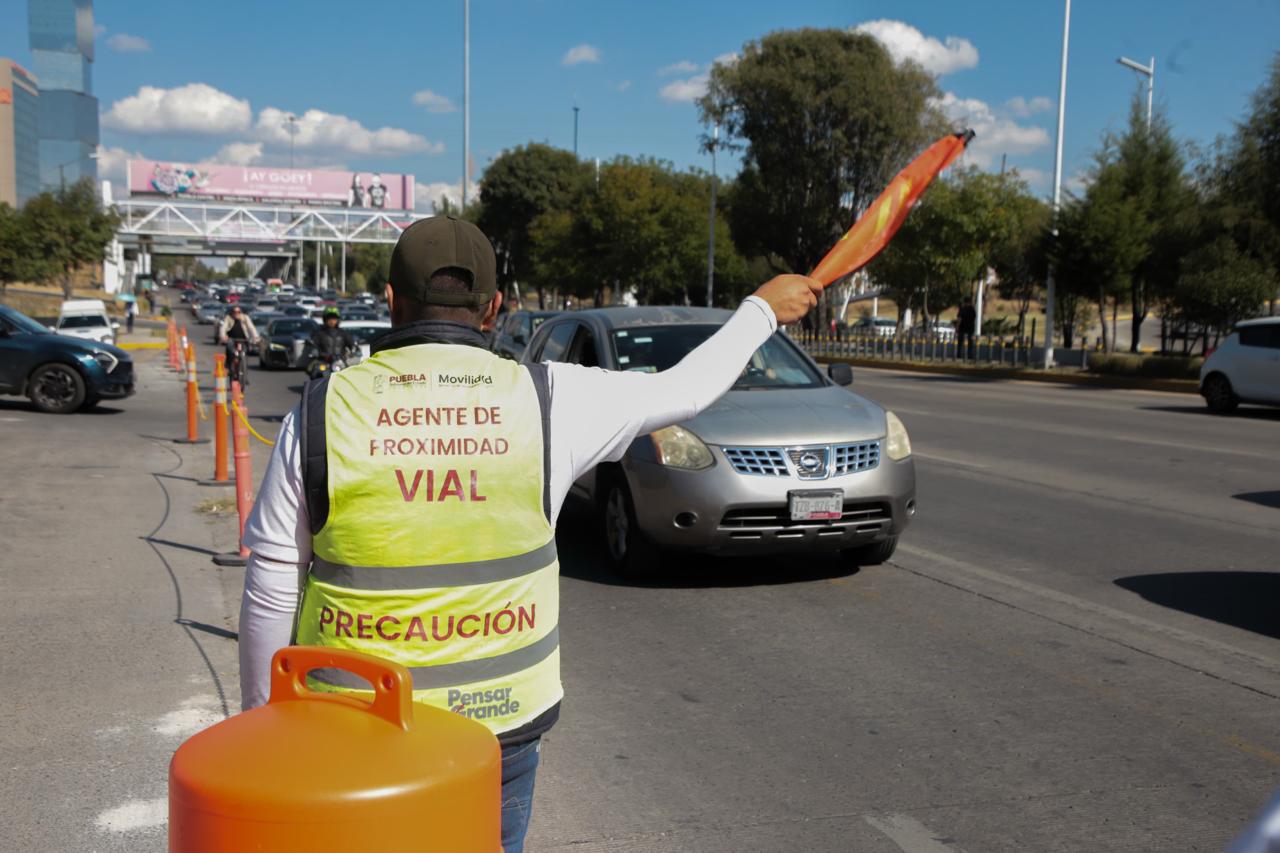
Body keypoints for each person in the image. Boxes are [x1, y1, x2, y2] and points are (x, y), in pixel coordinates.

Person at [236, 215, 821, 853]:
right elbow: (684, 389)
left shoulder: (322, 410)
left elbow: (271, 585)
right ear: (493, 308)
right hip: (500, 724)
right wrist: (761, 310)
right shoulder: (548, 399)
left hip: (351, 723)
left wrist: (266, 729)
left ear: (391, 300)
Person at [217, 304, 260, 383]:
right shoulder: (228, 318)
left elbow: (251, 327)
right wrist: (223, 336)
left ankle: (244, 375)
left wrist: (255, 337)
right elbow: (223, 328)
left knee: (244, 355)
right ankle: (229, 366)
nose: (236, 314)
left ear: (241, 312)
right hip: (232, 339)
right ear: (232, 313)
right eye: (234, 312)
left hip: (243, 339)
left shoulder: (245, 318)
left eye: (238, 312)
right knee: (230, 350)